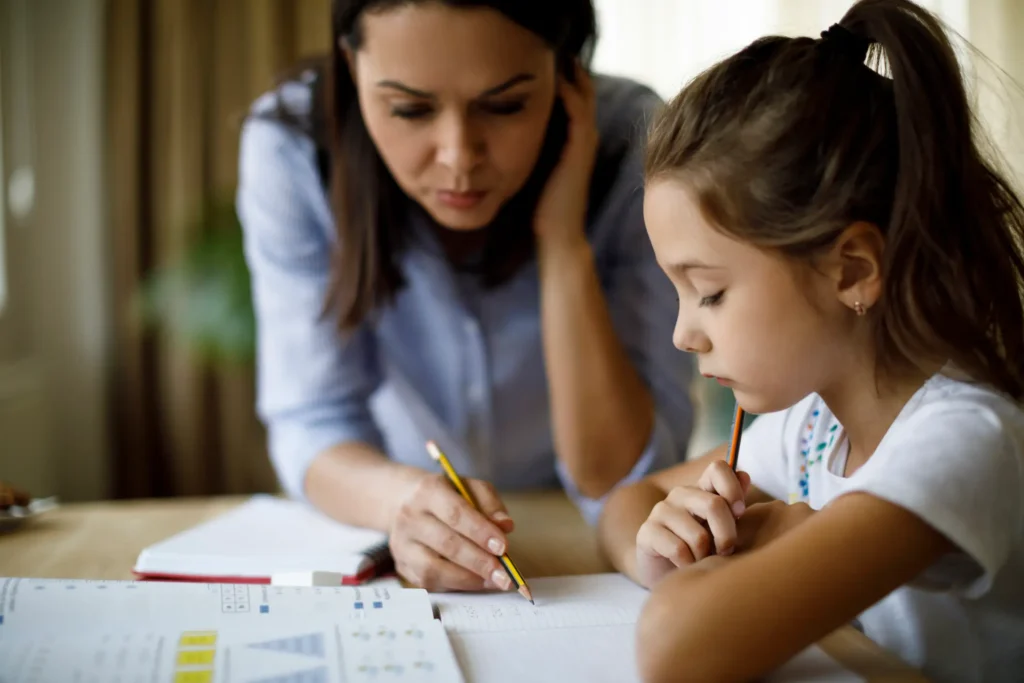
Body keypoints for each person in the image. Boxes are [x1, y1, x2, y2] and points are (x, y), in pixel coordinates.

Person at [596, 1, 1024, 681]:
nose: (683, 333)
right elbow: (628, 501)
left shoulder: (963, 442)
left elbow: (677, 647)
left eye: (708, 291)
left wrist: (749, 559)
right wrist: (661, 548)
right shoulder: (814, 426)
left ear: (850, 270)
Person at [236, 0, 693, 595]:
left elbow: (623, 474)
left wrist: (562, 245)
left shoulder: (635, 143)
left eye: (505, 105)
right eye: (409, 108)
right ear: (352, 66)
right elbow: (313, 422)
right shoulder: (293, 148)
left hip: (584, 532)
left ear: (564, 75)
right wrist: (406, 500)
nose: (458, 157)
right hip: (393, 512)